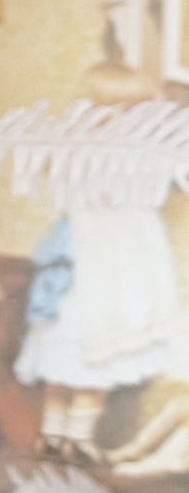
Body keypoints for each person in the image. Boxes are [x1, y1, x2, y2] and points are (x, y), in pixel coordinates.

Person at [16, 52, 182, 462]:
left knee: (86, 357)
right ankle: (62, 439)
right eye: (123, 111)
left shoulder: (137, 156)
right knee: (83, 348)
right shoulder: (96, 156)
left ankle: (66, 439)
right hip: (97, 263)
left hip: (107, 260)